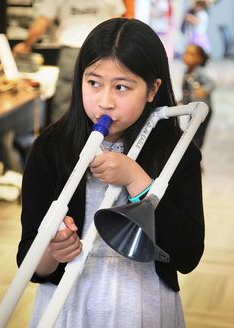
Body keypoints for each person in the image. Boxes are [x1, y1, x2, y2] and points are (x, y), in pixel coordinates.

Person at [17, 18, 205, 327]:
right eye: (93, 83)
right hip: (67, 303)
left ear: (152, 89)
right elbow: (30, 263)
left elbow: (187, 255)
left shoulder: (176, 150)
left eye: (121, 87)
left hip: (143, 302)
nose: (104, 102)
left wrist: (136, 179)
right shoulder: (50, 148)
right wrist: (52, 250)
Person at [13, 0, 126, 123]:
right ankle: (99, 139)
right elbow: (118, 22)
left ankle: (62, 140)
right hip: (101, 53)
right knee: (102, 99)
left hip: (72, 53)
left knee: (64, 104)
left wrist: (26, 45)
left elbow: (43, 21)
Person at [180, 43, 215, 149]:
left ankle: (197, 158)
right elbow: (186, 91)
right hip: (193, 108)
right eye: (186, 53)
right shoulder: (186, 73)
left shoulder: (199, 72)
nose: (186, 56)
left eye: (191, 54)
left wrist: (204, 90)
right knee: (191, 133)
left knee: (197, 136)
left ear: (199, 58)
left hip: (204, 109)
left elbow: (211, 84)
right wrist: (182, 101)